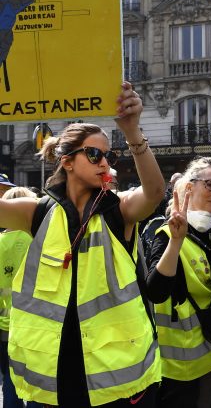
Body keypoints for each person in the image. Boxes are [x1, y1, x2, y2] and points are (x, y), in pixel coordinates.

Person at [0, 82, 164, 407]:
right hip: (51, 377)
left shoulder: (120, 210)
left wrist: (132, 131)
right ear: (68, 162)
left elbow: (155, 193)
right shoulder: (37, 211)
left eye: (108, 155)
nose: (104, 162)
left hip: (111, 379)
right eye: (93, 153)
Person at [146, 156, 211, 408]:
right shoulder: (167, 233)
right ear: (189, 187)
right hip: (186, 369)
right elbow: (155, 291)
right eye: (210, 185)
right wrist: (176, 242)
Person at [0, 187, 41, 408]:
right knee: (37, 384)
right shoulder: (39, 239)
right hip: (37, 326)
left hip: (5, 327)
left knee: (9, 379)